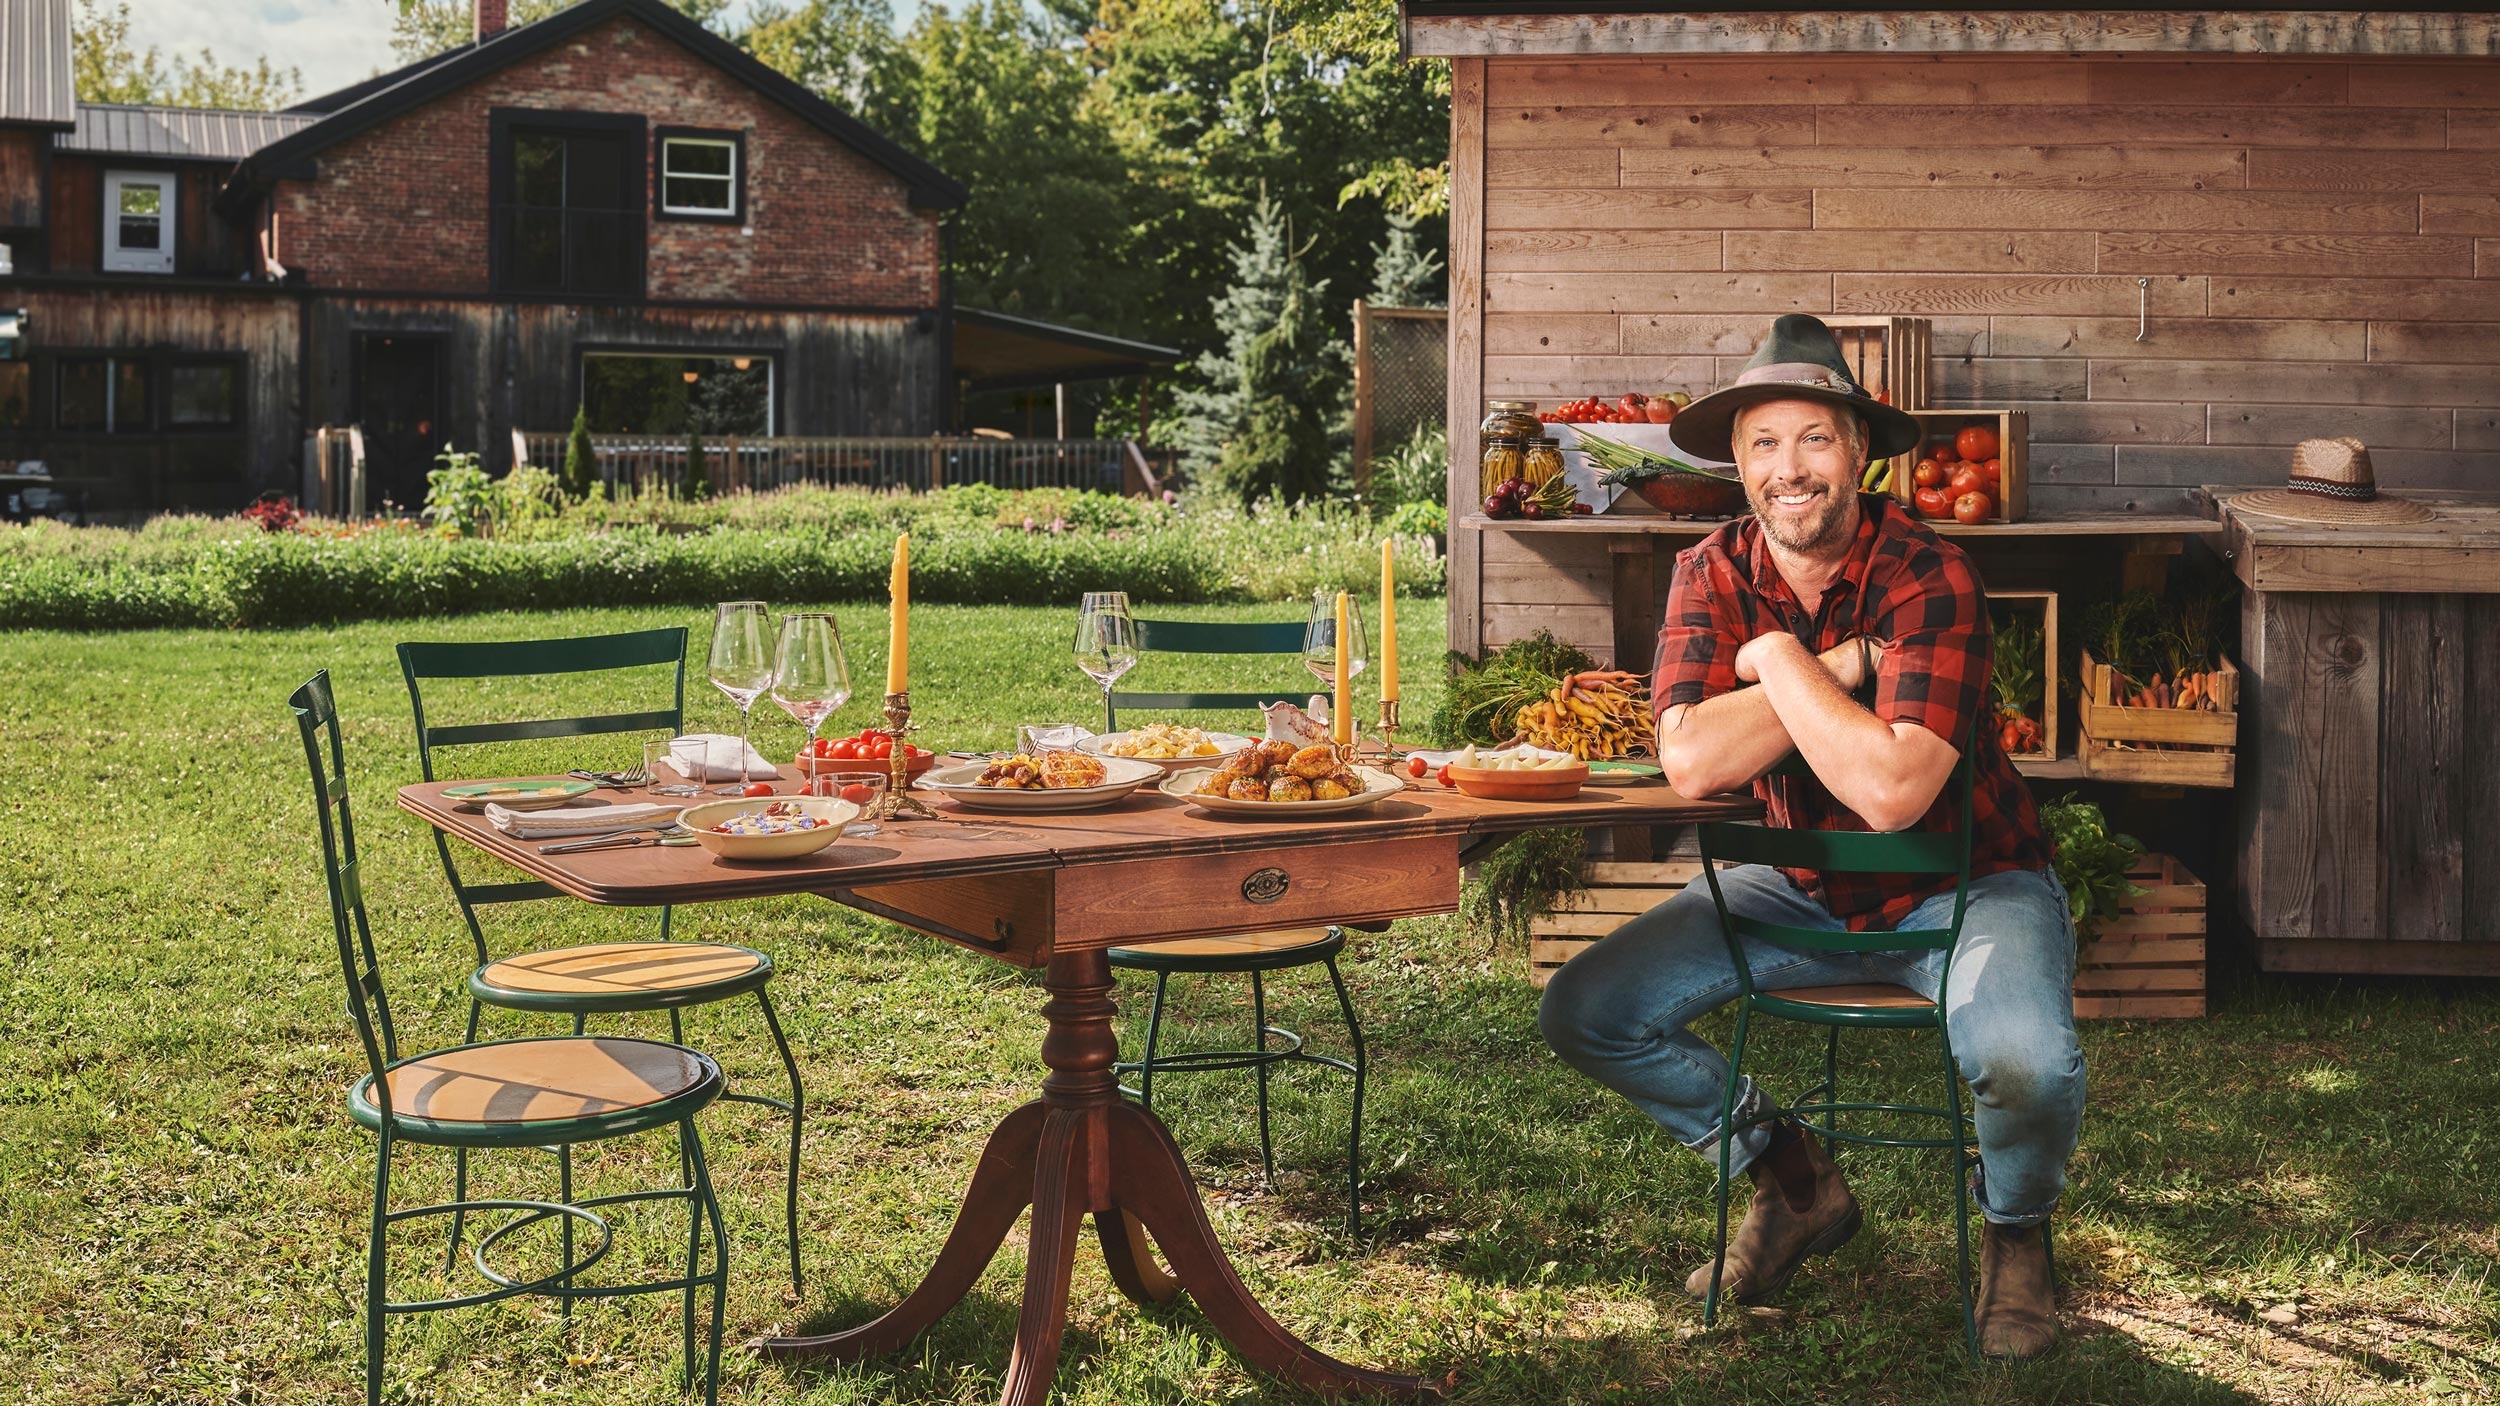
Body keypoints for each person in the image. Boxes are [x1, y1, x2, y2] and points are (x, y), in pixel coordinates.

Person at [1536, 314, 2083, 1359]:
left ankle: (2016, 1236)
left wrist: (1779, 658)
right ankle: (1793, 1180)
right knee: (1587, 1008)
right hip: (1794, 885)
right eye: (1763, 444)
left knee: (2025, 1061)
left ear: (1859, 453)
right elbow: (1691, 761)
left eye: (1815, 440)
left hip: (1966, 883)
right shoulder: (1709, 568)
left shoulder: (1930, 574)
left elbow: (1890, 791)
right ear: (1738, 465)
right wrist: (1838, 670)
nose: (1790, 468)